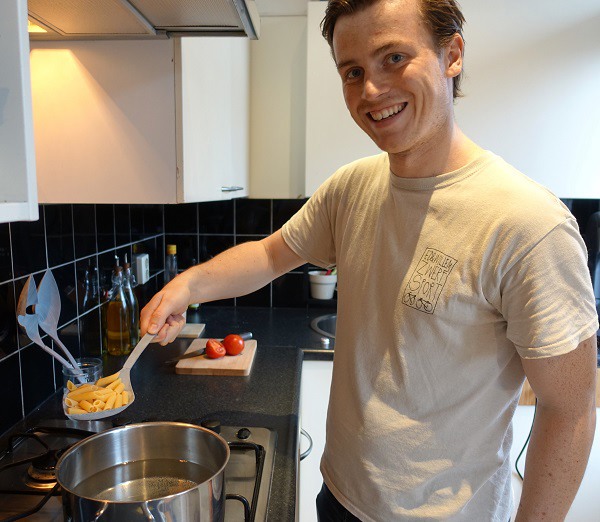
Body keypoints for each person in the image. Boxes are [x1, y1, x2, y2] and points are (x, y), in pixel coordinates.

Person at [140, 0, 598, 520]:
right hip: (339, 496)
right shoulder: (352, 187)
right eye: (353, 72)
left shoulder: (529, 224)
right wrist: (186, 287)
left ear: (452, 54)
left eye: (394, 58)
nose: (371, 91)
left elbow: (570, 409)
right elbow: (270, 255)